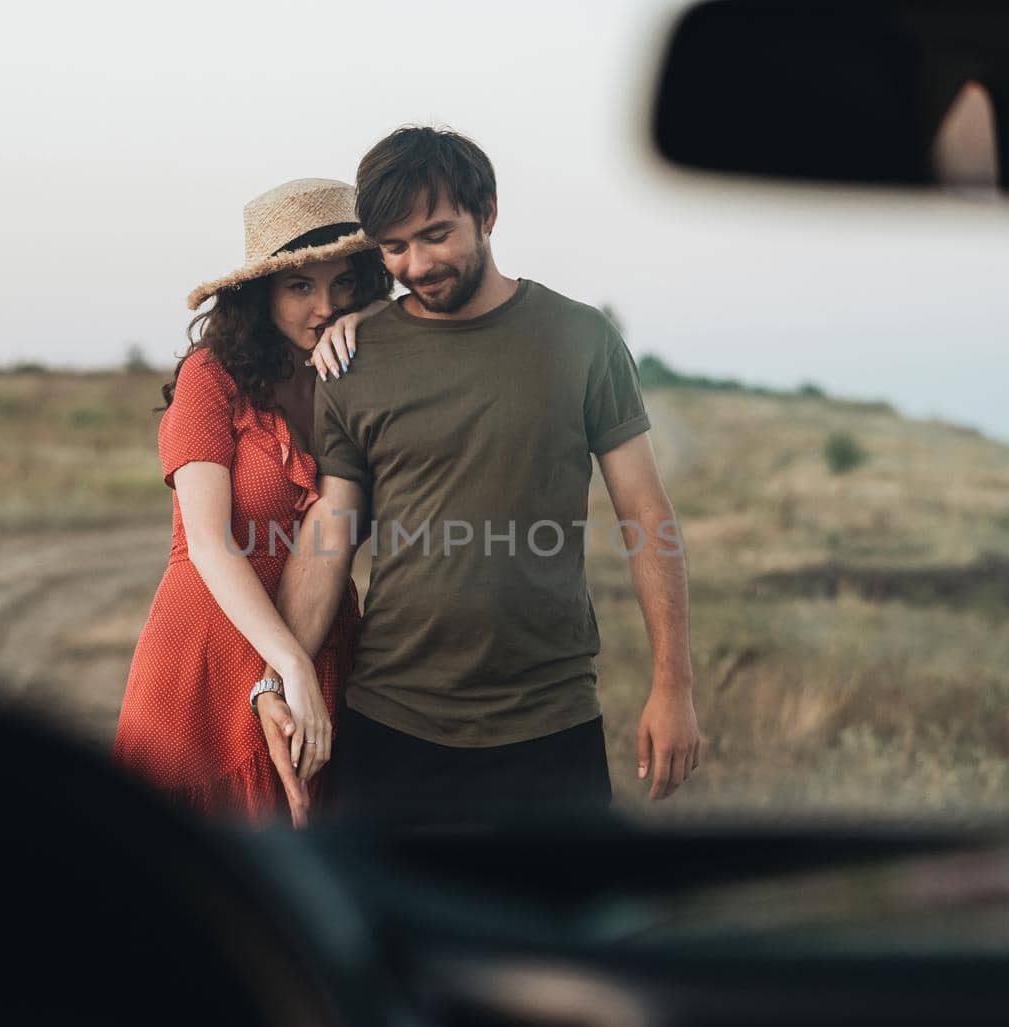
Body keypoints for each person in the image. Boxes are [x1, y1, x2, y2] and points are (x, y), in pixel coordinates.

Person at [255, 127, 702, 828]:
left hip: (549, 723)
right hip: (392, 721)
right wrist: (278, 678)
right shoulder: (354, 360)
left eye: (436, 235)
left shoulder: (580, 338)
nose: (416, 263)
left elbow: (645, 514)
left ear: (487, 212)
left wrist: (674, 685)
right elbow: (330, 532)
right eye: (395, 247)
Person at [111, 178, 391, 827]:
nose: (324, 306)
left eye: (344, 283)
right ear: (261, 290)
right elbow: (209, 541)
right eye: (301, 286)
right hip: (210, 650)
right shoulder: (211, 377)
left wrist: (372, 322)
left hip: (322, 635)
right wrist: (286, 664)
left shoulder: (363, 374)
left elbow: (447, 326)